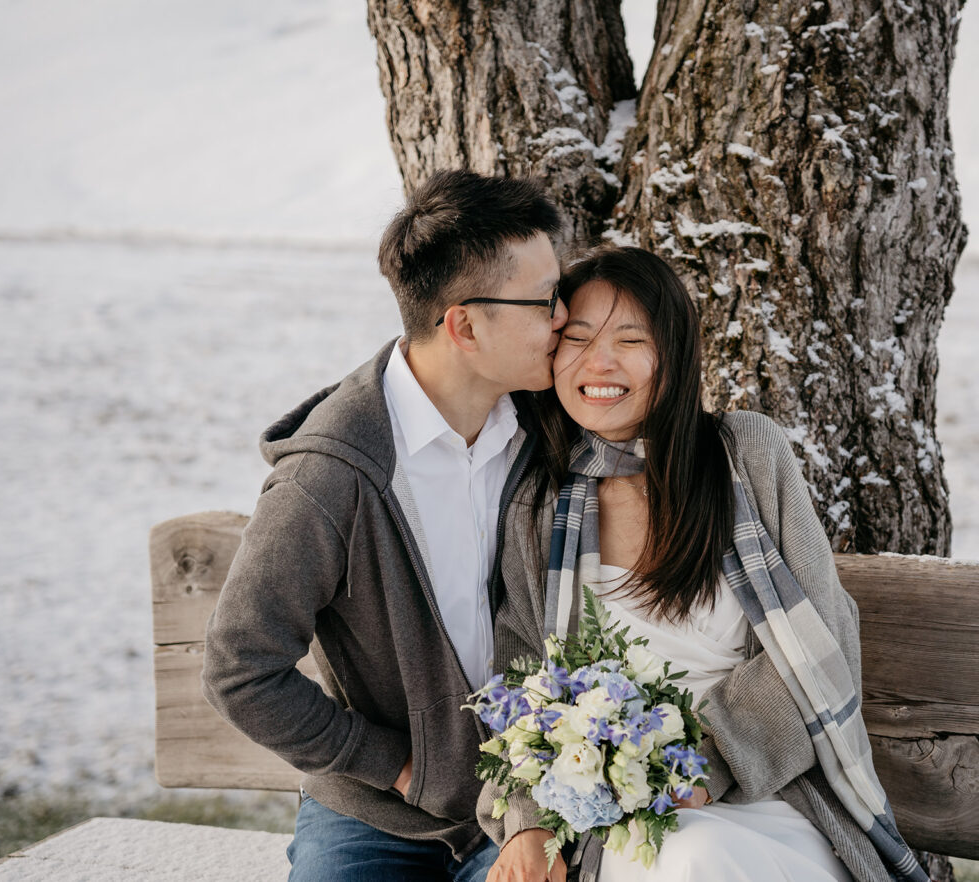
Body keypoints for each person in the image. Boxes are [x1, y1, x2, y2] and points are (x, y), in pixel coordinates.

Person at [480, 246, 928, 882]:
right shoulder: (542, 503)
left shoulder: (744, 456)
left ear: (675, 355)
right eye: (576, 338)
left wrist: (704, 767)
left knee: (699, 858)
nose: (599, 362)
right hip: (617, 820)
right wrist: (525, 821)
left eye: (631, 340)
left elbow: (817, 641)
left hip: (764, 796)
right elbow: (520, 673)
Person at [201, 169, 567, 882]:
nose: (564, 318)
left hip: (532, 799)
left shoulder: (548, 431)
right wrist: (395, 767)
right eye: (546, 300)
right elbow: (240, 669)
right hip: (375, 809)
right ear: (464, 323)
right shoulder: (332, 475)